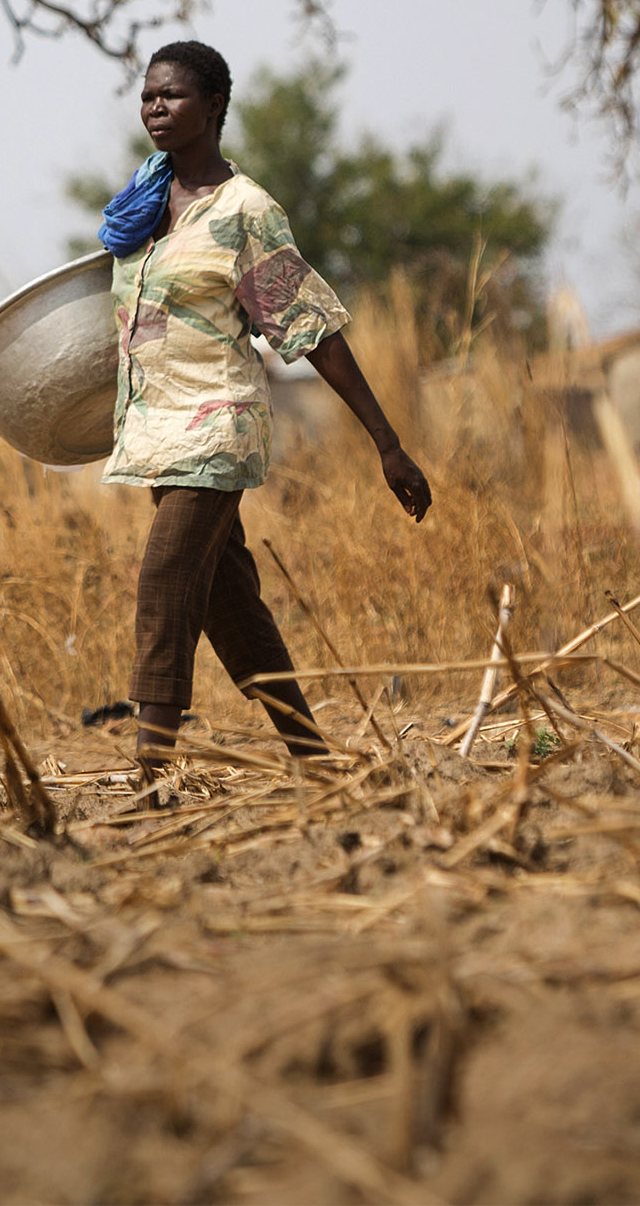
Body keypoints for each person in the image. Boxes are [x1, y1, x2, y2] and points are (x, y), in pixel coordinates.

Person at [96, 40, 431, 779]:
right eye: (147, 95)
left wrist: (387, 443)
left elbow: (310, 330)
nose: (154, 107)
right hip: (155, 434)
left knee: (163, 582)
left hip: (217, 430)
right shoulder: (141, 206)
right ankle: (313, 758)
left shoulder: (246, 211)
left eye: (172, 95)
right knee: (226, 600)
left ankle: (151, 774)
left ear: (212, 107)